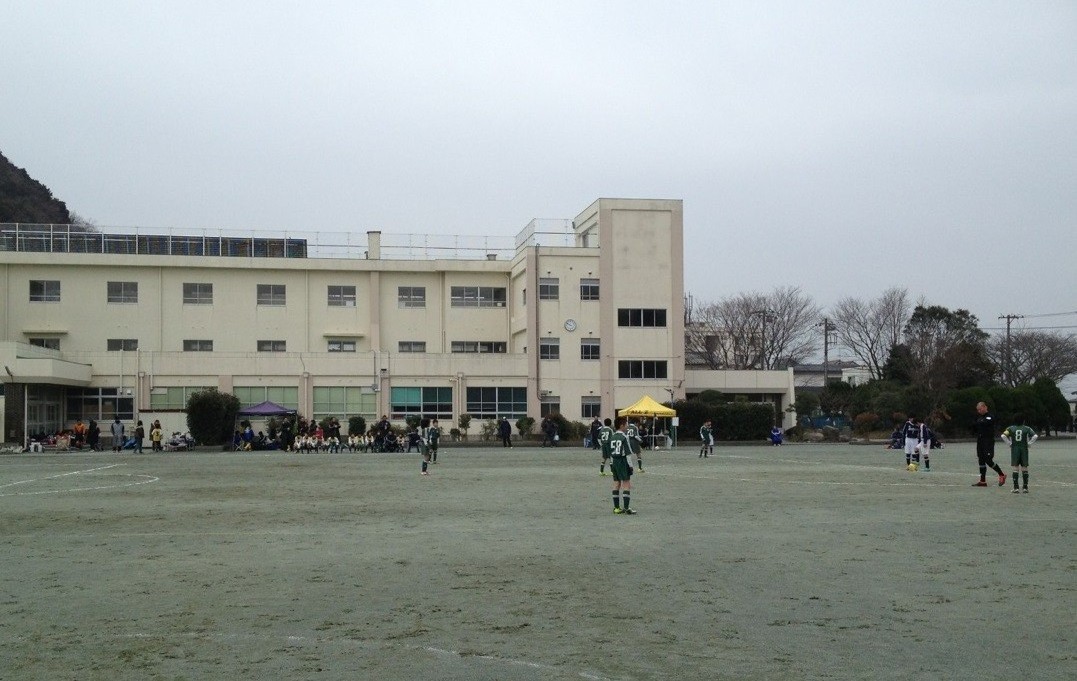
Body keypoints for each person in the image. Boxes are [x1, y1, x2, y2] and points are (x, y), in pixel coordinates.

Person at [1001, 415, 1038, 494]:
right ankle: (1025, 488)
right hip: (1024, 449)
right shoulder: (1027, 428)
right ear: (1023, 421)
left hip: (1015, 449)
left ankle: (1016, 488)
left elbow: (1003, 435)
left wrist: (1009, 444)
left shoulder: (1010, 428)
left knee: (1015, 468)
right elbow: (1035, 436)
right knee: (1024, 468)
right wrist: (1029, 443)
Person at [608, 416, 637, 514]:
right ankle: (626, 508)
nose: (627, 426)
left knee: (616, 484)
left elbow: (610, 453)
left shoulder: (612, 437)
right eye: (626, 424)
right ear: (621, 425)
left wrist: (611, 464)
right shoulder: (624, 437)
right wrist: (631, 466)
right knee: (626, 484)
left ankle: (616, 508)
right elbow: (628, 453)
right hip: (622, 461)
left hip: (614, 462)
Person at [973, 402, 1006, 487]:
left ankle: (1001, 474)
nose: (979, 411)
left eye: (980, 409)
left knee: (988, 460)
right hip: (980, 441)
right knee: (981, 460)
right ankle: (983, 481)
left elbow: (985, 423)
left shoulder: (990, 416)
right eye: (978, 410)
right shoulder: (979, 417)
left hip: (988, 441)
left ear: (985, 407)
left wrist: (979, 422)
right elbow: (976, 425)